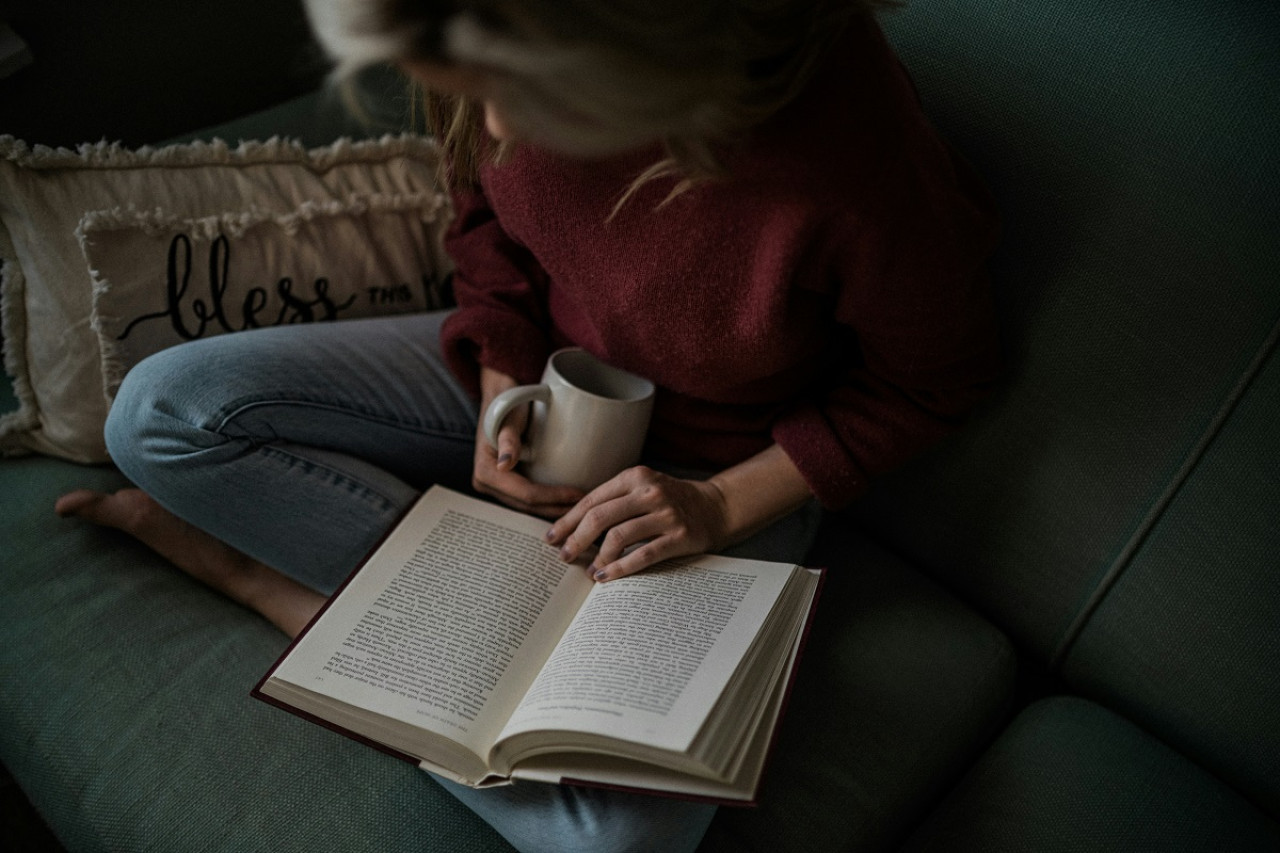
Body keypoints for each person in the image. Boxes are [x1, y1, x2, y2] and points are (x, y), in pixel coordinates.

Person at [55, 0, 1002, 850]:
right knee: (162, 414)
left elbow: (929, 383)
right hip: (542, 372)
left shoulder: (859, 168)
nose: (499, 124)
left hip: (723, 471)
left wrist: (714, 505)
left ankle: (271, 592)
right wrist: (499, 373)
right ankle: (457, 626)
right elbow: (484, 217)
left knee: (614, 842)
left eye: (525, 97)